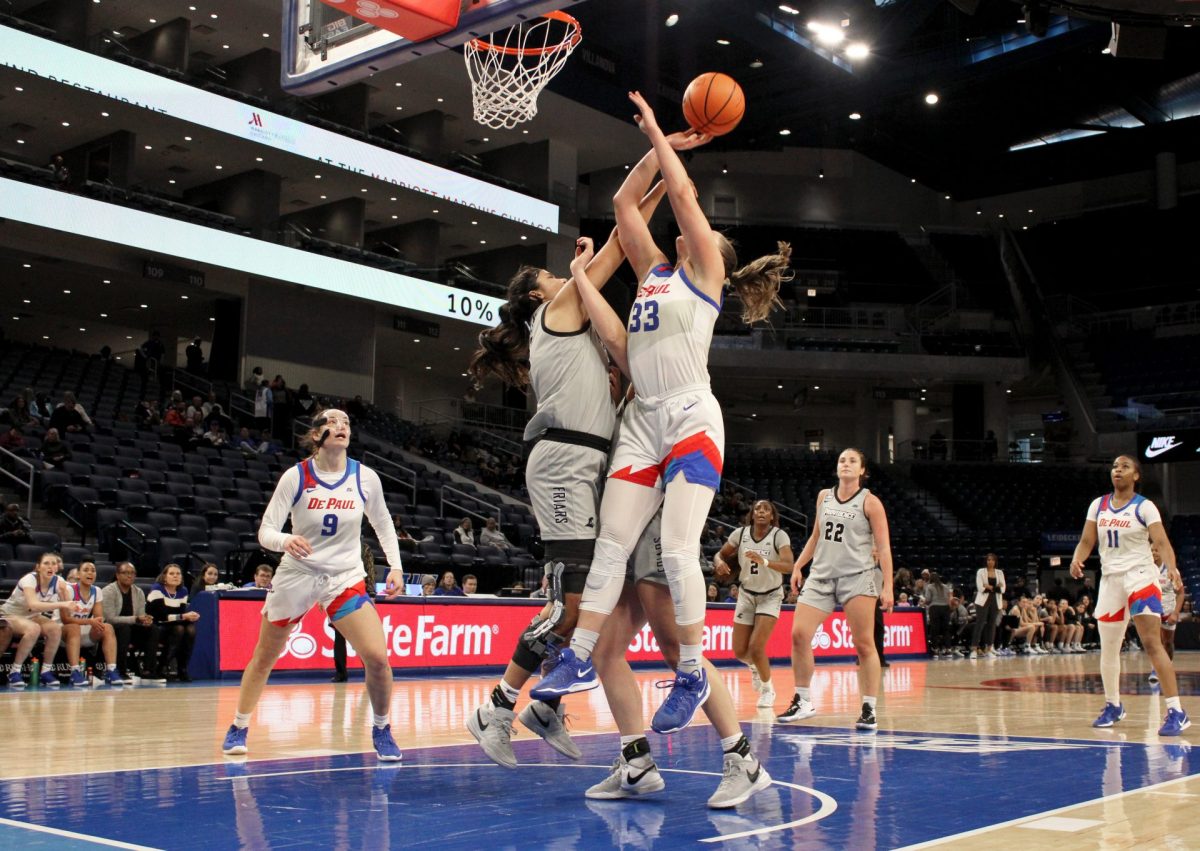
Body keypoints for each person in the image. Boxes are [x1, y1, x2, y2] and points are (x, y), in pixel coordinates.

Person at [534, 91, 792, 740]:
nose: (688, 229)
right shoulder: (652, 273)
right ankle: (580, 656)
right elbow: (625, 207)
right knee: (611, 545)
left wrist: (657, 130)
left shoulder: (702, 274)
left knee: (677, 546)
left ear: (714, 254)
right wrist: (658, 149)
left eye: (702, 231)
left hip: (691, 420)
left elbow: (682, 200)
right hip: (644, 420)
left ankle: (693, 670)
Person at [465, 174, 668, 768]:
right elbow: (621, 245)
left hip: (588, 463)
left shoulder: (561, 317)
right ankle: (498, 708)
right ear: (538, 295)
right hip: (562, 465)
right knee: (571, 605)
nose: (563, 275)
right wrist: (657, 177)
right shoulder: (558, 306)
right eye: (552, 275)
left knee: (598, 597)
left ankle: (545, 708)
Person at [222, 409, 406, 759]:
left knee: (378, 659)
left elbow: (383, 524)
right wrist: (285, 541)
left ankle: (382, 728)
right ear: (317, 433)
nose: (341, 427)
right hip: (298, 575)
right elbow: (266, 531)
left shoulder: (365, 478)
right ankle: (239, 725)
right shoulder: (296, 476)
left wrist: (395, 567)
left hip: (344, 577)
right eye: (333, 422)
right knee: (264, 656)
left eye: (347, 423)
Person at [587, 511, 771, 808]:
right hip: (623, 526)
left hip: (657, 523)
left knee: (678, 649)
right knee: (606, 652)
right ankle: (636, 762)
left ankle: (743, 759)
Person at [1070, 454, 1189, 735]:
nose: (1117, 470)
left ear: (1136, 475)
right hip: (1111, 580)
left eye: (1124, 467)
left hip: (1141, 578)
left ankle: (1176, 711)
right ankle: (1113, 705)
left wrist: (1171, 568)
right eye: (1113, 466)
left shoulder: (1145, 507)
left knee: (1152, 643)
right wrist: (1078, 559)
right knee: (1109, 647)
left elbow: (1162, 542)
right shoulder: (1098, 505)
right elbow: (1087, 540)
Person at [778, 448, 894, 730]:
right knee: (798, 634)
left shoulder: (871, 503)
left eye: (853, 460)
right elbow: (816, 535)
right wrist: (798, 566)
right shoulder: (823, 496)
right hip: (821, 576)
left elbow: (884, 548)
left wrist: (888, 585)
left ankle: (869, 707)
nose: (846, 464)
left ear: (862, 471)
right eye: (842, 460)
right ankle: (803, 700)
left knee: (864, 644)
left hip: (857, 577)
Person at [712, 500, 793, 709]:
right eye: (757, 508)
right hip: (746, 594)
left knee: (757, 648)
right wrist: (719, 561)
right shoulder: (740, 534)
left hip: (770, 595)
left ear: (772, 516)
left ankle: (768, 690)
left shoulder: (778, 535)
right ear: (752, 514)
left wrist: (764, 561)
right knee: (740, 652)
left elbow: (788, 565)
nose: (761, 512)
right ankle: (756, 668)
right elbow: (719, 554)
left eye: (766, 509)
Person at [1, 552, 76, 688]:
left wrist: (65, 593)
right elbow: (33, 605)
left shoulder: (60, 582)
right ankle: (14, 672)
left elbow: (70, 610)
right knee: (33, 628)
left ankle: (46, 671)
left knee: (54, 628)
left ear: (57, 568)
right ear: (38, 567)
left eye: (53, 564)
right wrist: (62, 604)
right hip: (9, 614)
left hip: (32, 616)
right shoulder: (29, 579)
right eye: (46, 563)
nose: (50, 566)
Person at [61, 561, 124, 687]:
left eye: (93, 570)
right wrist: (89, 621)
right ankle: (75, 672)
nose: (90, 572)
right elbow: (65, 619)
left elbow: (98, 619)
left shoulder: (97, 591)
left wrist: (95, 623)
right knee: (73, 628)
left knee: (107, 627)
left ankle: (111, 670)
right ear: (78, 574)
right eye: (86, 570)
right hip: (61, 632)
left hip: (82, 631)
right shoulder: (69, 590)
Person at [145, 564, 200, 683]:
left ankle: (182, 669)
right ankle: (163, 666)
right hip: (156, 626)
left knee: (190, 629)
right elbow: (160, 616)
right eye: (171, 574)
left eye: (178, 574)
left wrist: (190, 617)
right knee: (179, 629)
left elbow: (180, 615)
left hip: (174, 624)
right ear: (164, 577)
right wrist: (183, 616)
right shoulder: (157, 589)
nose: (175, 576)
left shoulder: (183, 591)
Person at [333, 544, 377, 683]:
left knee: (362, 638)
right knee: (339, 637)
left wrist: (371, 593)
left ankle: (368, 671)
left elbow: (369, 570)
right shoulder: (337, 543)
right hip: (339, 592)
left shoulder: (364, 547)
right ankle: (341, 673)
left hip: (358, 592)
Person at [103, 562, 154, 680]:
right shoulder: (108, 591)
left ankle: (148, 670)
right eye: (125, 573)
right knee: (124, 629)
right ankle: (120, 670)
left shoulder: (139, 592)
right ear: (117, 575)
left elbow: (140, 615)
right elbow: (110, 618)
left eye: (132, 573)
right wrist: (135, 619)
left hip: (132, 628)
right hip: (112, 629)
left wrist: (145, 620)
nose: (129, 576)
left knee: (153, 630)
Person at [1149, 542, 1185, 685]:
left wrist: (1176, 613)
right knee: (1154, 642)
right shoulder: (1145, 569)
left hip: (1168, 610)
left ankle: (1167, 665)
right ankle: (1155, 669)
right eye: (1151, 550)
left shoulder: (1172, 570)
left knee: (1168, 643)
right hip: (1152, 610)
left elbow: (1181, 593)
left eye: (1157, 550)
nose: (1154, 553)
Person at [968, 554, 1005, 658]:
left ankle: (989, 649)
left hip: (996, 601)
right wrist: (995, 587)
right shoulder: (981, 571)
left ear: (995, 561)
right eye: (988, 560)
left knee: (992, 625)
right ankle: (974, 649)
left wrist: (989, 586)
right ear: (986, 561)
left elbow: (1003, 588)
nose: (990, 562)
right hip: (982, 601)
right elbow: (980, 587)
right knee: (979, 624)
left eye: (992, 560)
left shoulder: (1000, 572)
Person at [923, 571, 952, 656]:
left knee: (934, 629)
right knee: (946, 629)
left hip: (935, 608)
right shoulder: (946, 587)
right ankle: (948, 649)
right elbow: (948, 599)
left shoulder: (930, 587)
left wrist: (924, 602)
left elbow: (928, 600)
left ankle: (935, 650)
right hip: (946, 608)